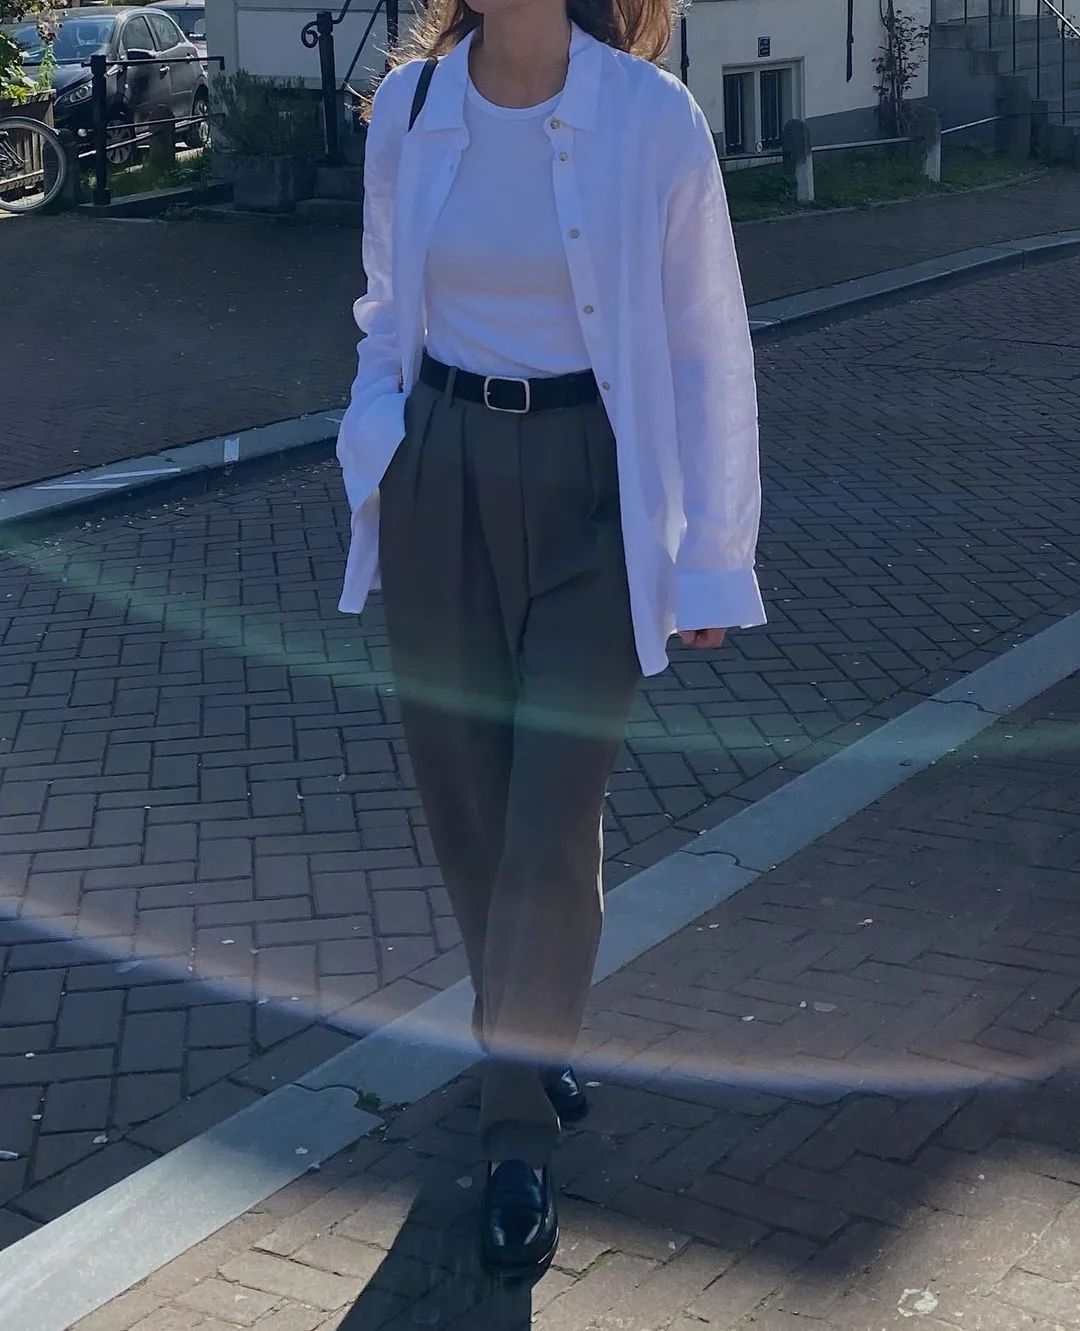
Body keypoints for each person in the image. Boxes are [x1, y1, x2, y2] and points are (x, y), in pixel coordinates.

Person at [336, 0, 765, 1276]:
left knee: (549, 810)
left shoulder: (650, 117)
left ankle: (514, 1127)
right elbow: (382, 305)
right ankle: (532, 1036)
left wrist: (712, 552)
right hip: (439, 475)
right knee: (470, 803)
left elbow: (706, 343)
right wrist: (377, 436)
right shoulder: (410, 108)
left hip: (596, 492)